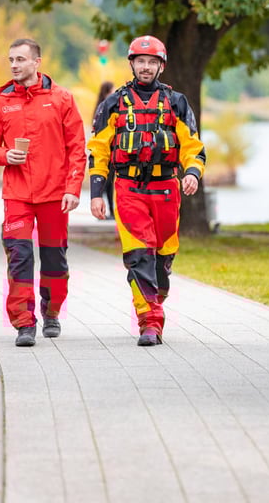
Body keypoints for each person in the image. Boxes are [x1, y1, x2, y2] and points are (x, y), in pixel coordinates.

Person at [88, 35, 206, 347]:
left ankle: (156, 296)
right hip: (128, 189)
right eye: (140, 61)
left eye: (152, 62)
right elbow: (98, 151)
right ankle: (150, 324)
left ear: (161, 66)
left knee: (161, 262)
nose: (145, 67)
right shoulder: (113, 104)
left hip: (166, 189)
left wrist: (192, 173)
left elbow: (193, 147)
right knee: (140, 256)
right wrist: (96, 193)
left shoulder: (177, 102)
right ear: (132, 64)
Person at [0, 38, 87, 347]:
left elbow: (77, 148)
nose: (14, 65)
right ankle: (24, 323)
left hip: (55, 195)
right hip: (17, 195)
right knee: (19, 256)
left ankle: (51, 312)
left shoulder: (62, 99)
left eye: (20, 59)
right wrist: (5, 155)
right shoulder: (1, 103)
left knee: (54, 259)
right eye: (11, 60)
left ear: (37, 62)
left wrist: (72, 189)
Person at [93, 81, 116, 219]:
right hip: (108, 152)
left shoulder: (100, 106)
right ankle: (106, 211)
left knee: (107, 184)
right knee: (107, 183)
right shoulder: (107, 107)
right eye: (112, 91)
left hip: (109, 151)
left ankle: (107, 211)